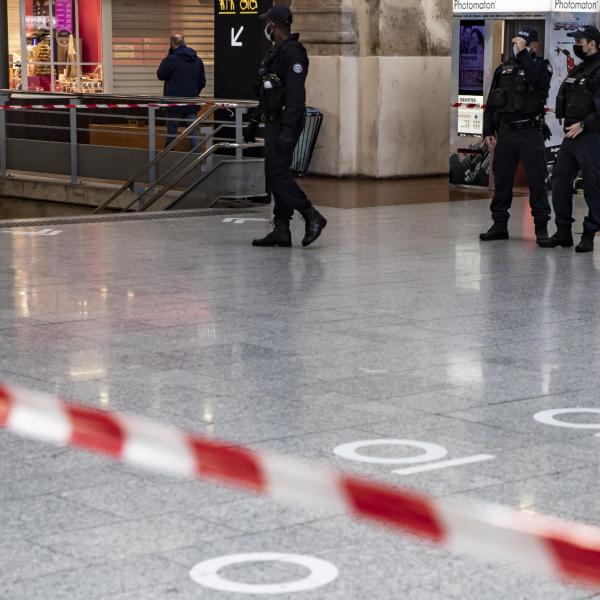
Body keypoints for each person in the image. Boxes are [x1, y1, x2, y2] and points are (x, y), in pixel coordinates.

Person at [243, 6, 327, 248]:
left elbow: (294, 96)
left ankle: (312, 216)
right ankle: (281, 229)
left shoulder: (293, 54)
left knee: (277, 174)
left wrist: (289, 130)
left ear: (274, 24)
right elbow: (268, 91)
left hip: (285, 121)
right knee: (275, 174)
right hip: (274, 120)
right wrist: (254, 120)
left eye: (267, 23)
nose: (265, 28)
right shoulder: (275, 52)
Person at [480, 28, 553, 245]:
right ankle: (499, 224)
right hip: (507, 132)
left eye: (521, 43)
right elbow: (492, 101)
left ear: (534, 46)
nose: (516, 46)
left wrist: (523, 55)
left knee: (537, 181)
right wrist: (488, 130)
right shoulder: (503, 69)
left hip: (530, 132)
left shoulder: (541, 66)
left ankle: (541, 228)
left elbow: (539, 82)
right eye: (515, 43)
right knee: (502, 180)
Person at [541, 25, 600, 253]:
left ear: (592, 43)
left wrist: (585, 125)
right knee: (559, 181)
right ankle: (563, 232)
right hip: (571, 135)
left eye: (579, 42)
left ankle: (589, 233)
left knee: (593, 186)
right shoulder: (580, 69)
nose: (576, 46)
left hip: (591, 135)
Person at [157, 34, 206, 151]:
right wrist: (193, 93)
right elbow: (202, 82)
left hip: (174, 103)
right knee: (193, 132)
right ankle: (197, 160)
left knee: (172, 132)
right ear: (184, 43)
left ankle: (168, 156)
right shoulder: (197, 60)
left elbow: (160, 75)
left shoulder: (171, 59)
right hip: (191, 102)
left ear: (172, 44)